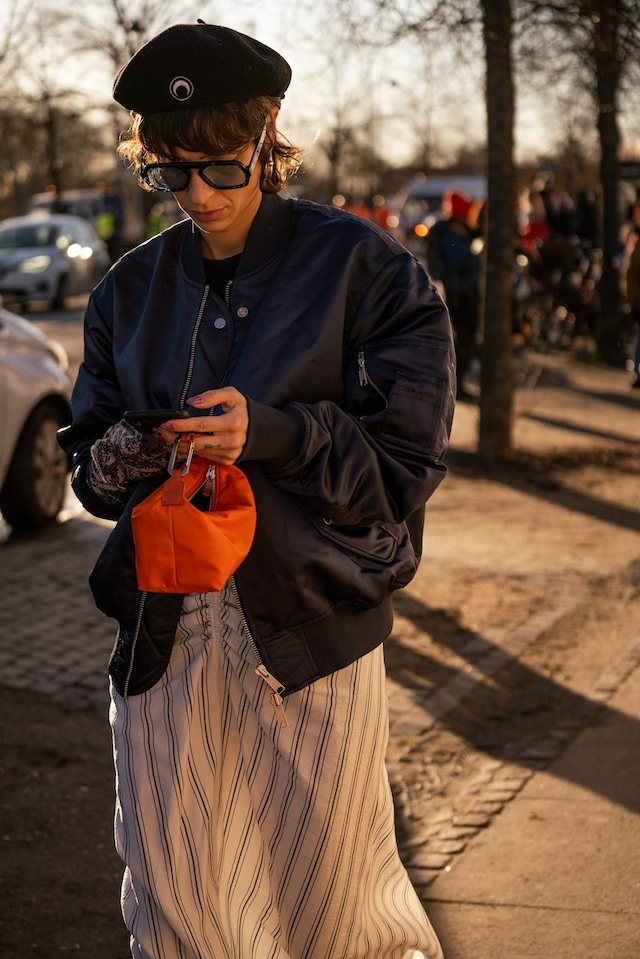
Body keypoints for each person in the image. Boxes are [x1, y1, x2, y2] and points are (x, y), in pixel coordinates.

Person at [58, 21, 455, 959]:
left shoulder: (370, 272)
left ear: (267, 133)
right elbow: (89, 475)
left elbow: (402, 470)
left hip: (312, 638)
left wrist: (268, 432)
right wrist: (137, 446)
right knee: (179, 916)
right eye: (170, 174)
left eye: (221, 168)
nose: (197, 195)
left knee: (336, 920)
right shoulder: (126, 292)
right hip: (163, 641)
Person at [425, 189, 480, 399]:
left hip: (460, 290)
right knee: (464, 337)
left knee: (463, 337)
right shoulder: (451, 233)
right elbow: (459, 261)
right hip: (460, 291)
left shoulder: (451, 231)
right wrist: (479, 258)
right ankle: (456, 385)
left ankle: (458, 383)